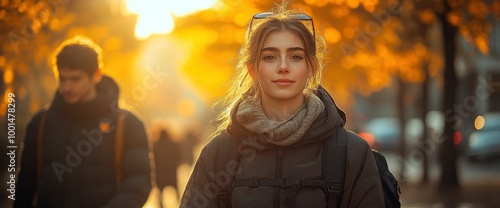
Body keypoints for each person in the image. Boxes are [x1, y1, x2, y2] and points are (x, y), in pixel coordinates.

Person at [180, 6, 385, 208]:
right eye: (270, 57)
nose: (283, 67)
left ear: (311, 68)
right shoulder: (219, 154)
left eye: (295, 56)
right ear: (253, 69)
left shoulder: (351, 153)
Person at [14, 36, 152, 207]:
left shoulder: (128, 125)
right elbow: (24, 186)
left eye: (75, 79)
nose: (67, 87)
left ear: (96, 75)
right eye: (62, 79)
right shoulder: (40, 123)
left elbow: (138, 182)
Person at [153, 129, 181, 207]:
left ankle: (161, 205)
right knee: (175, 189)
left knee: (160, 192)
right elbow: (178, 156)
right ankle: (180, 204)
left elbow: (153, 159)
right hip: (171, 172)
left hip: (160, 173)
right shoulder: (173, 144)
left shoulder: (156, 145)